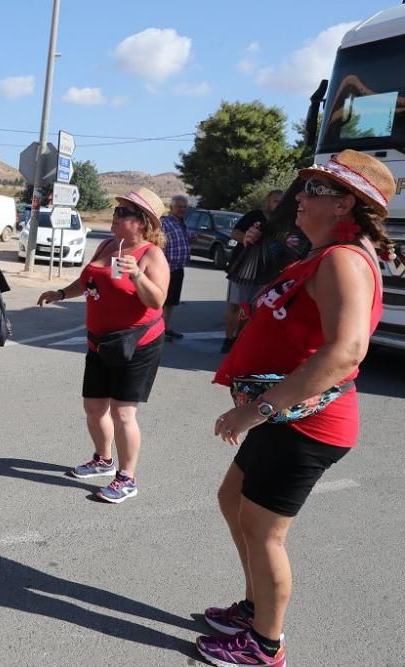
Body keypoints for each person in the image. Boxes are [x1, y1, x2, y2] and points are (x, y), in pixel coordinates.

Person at [197, 150, 393, 667]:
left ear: (344, 202)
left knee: (264, 531)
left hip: (305, 424)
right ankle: (255, 607)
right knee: (232, 499)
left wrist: (255, 411)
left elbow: (347, 350)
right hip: (288, 416)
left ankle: (265, 645)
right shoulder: (325, 254)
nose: (297, 199)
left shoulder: (344, 260)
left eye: (312, 190)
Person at [37, 187, 170, 503]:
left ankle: (127, 477)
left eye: (124, 212)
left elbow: (158, 300)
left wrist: (137, 275)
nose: (116, 215)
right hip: (101, 342)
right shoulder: (109, 245)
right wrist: (60, 293)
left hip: (136, 344)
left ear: (143, 222)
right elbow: (86, 282)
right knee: (94, 407)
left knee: (123, 412)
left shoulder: (151, 255)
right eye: (117, 209)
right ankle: (103, 459)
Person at [221, 190, 283, 353]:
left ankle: (240, 338)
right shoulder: (254, 215)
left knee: (253, 307)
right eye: (275, 201)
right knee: (235, 305)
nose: (278, 204)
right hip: (243, 268)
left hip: (265, 270)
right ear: (268, 202)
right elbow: (235, 233)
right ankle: (228, 339)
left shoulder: (282, 221)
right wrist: (248, 239)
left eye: (281, 202)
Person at [159, 195, 189, 340]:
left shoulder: (182, 223)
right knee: (161, 301)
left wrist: (191, 237)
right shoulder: (165, 223)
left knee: (171, 301)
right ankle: (156, 332)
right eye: (179, 206)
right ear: (171, 208)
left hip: (178, 268)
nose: (182, 209)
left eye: (184, 207)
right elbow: (158, 243)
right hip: (166, 269)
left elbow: (182, 238)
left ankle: (165, 328)